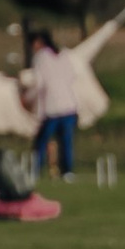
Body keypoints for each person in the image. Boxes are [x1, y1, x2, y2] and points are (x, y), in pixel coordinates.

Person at [25, 27, 80, 180]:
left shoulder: (40, 57)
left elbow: (39, 82)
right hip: (69, 105)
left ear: (38, 43)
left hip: (52, 108)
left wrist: (27, 98)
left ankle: (35, 171)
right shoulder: (64, 54)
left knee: (42, 141)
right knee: (66, 142)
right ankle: (68, 171)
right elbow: (72, 76)